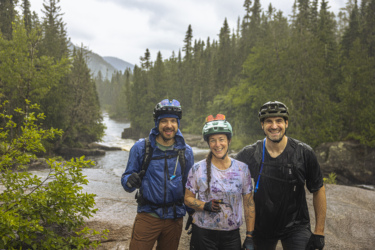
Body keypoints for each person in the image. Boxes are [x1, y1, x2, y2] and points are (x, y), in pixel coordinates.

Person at [235, 101, 327, 250]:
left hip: (296, 225)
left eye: (279, 121)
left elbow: (318, 189)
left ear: (286, 123)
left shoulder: (304, 153)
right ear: (262, 125)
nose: (274, 126)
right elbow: (226, 178)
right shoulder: (249, 154)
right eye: (269, 122)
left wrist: (319, 232)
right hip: (262, 225)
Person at [121, 99, 194, 250]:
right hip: (148, 215)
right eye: (164, 121)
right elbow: (126, 181)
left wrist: (193, 215)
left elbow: (189, 188)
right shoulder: (141, 148)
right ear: (157, 123)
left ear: (178, 123)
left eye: (173, 121)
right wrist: (130, 181)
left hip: (174, 219)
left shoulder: (186, 152)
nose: (169, 125)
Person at [184, 114, 255, 250]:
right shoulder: (198, 168)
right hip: (203, 233)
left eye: (221, 139)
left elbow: (249, 203)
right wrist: (204, 205)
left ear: (229, 140)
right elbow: (187, 199)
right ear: (208, 143)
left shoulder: (242, 169)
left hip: (231, 235)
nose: (217, 145)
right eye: (212, 140)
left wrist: (250, 235)